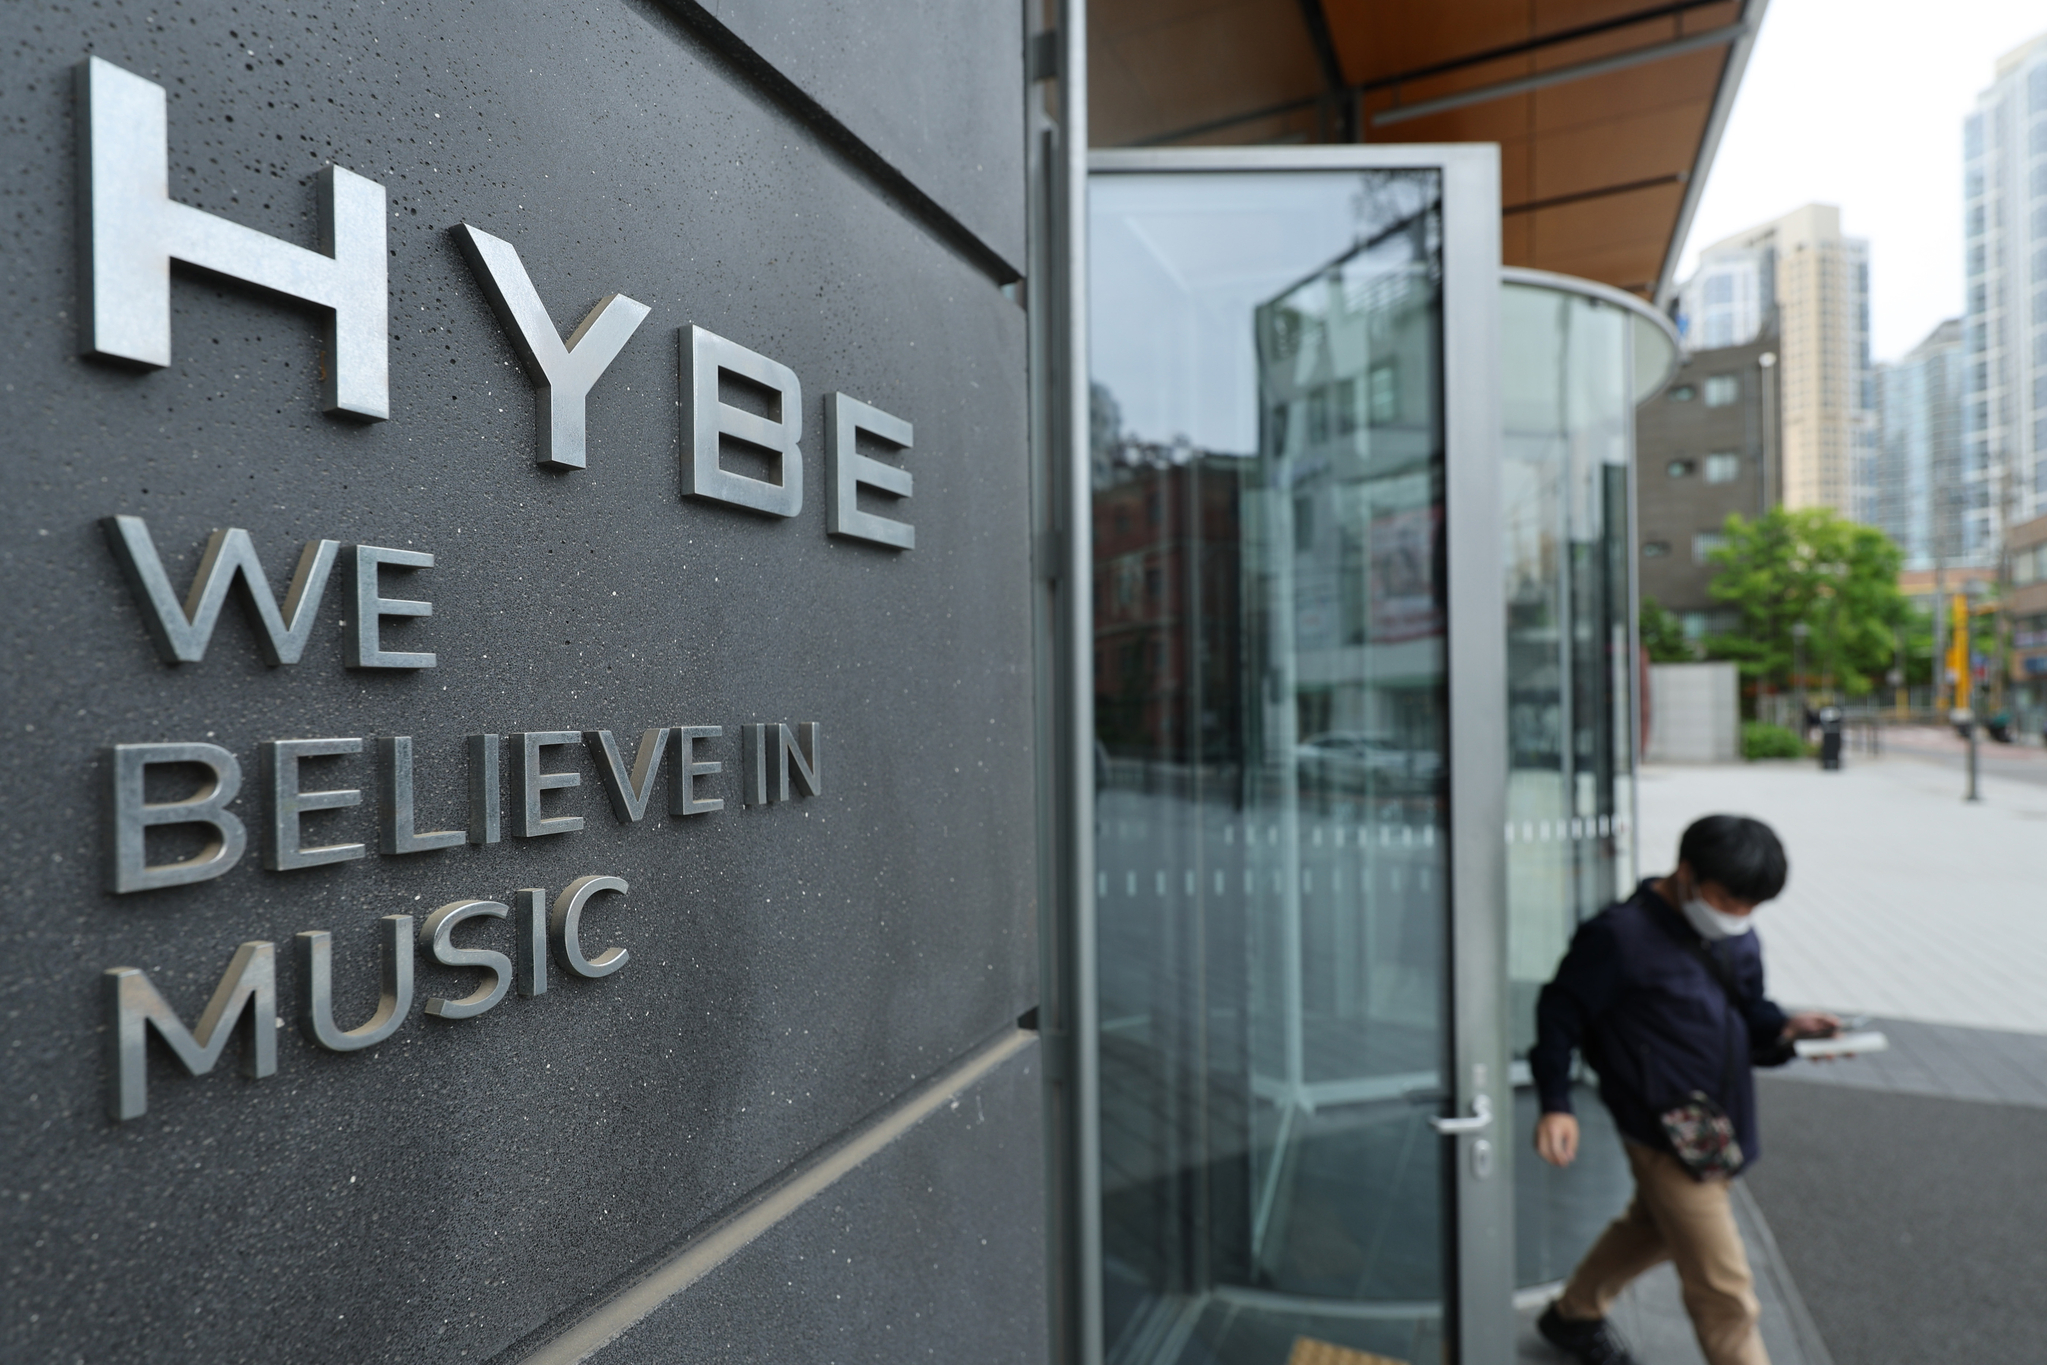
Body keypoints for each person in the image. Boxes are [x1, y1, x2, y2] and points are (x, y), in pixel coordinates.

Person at [1530, 815, 1838, 1365]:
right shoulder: (1618, 937)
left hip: (1719, 1125)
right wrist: (1556, 1103)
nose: (1738, 915)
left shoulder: (1735, 935)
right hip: (1664, 1133)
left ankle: (1572, 1315)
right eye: (1728, 900)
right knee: (1726, 1293)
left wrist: (1790, 1030)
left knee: (1652, 1226)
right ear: (1687, 873)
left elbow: (1749, 1013)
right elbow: (1559, 1014)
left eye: (1752, 906)